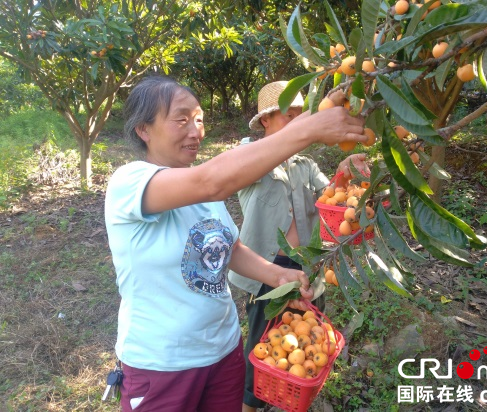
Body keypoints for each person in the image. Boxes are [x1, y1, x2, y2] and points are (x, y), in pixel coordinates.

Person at [104, 75, 367, 412]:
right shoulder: (130, 182)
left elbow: (230, 248)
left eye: (199, 119)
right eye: (181, 119)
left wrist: (277, 275)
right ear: (144, 129)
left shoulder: (203, 189)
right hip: (163, 363)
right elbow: (214, 180)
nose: (196, 130)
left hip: (224, 351)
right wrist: (310, 128)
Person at [227, 81, 370, 412]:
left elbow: (328, 196)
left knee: (304, 342)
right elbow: (231, 172)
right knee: (263, 345)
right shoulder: (249, 159)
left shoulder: (304, 164)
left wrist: (343, 174)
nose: (299, 125)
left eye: (301, 117)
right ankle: (252, 406)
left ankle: (295, 395)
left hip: (309, 268)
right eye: (291, 117)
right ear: (266, 120)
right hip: (266, 270)